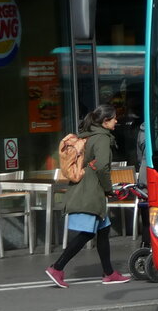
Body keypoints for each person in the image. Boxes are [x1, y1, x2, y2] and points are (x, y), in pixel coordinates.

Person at [44, 104, 132, 287]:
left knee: (103, 230)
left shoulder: (87, 135)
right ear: (105, 121)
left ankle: (109, 273)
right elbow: (102, 166)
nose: (117, 121)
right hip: (91, 191)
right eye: (114, 118)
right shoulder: (101, 138)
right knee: (86, 233)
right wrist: (109, 190)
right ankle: (57, 268)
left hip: (84, 187)